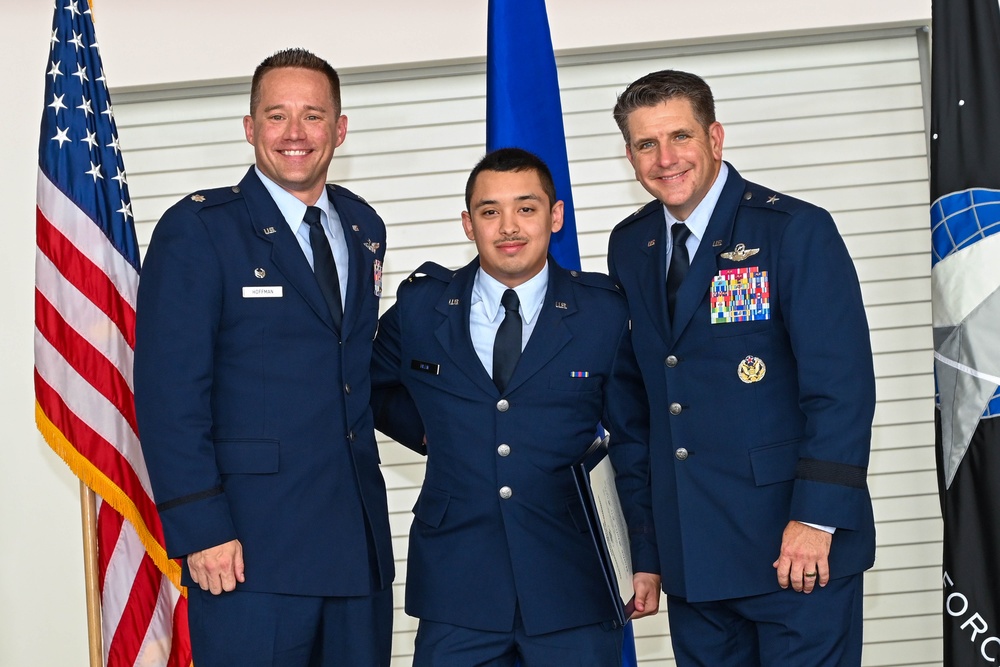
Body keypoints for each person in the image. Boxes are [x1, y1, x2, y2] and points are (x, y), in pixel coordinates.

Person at [607, 69, 876, 666]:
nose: (666, 159)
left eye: (680, 136)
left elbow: (841, 388)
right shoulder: (632, 244)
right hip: (694, 555)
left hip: (793, 549)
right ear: (630, 155)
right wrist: (647, 548)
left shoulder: (792, 230)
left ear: (716, 137)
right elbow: (638, 406)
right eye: (646, 144)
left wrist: (817, 519)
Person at [134, 48, 393, 666]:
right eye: (277, 116)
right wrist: (203, 528)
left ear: (340, 128)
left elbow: (358, 373)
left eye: (313, 115)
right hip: (249, 549)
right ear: (251, 128)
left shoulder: (362, 226)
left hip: (356, 548)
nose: (295, 134)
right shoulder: (200, 229)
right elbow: (170, 392)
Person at [370, 148, 660, 667]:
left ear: (556, 216)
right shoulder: (421, 306)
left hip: (573, 580)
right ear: (468, 223)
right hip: (457, 588)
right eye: (489, 211)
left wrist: (644, 557)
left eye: (526, 208)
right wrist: (431, 432)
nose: (509, 227)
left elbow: (633, 444)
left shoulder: (602, 312)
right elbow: (368, 386)